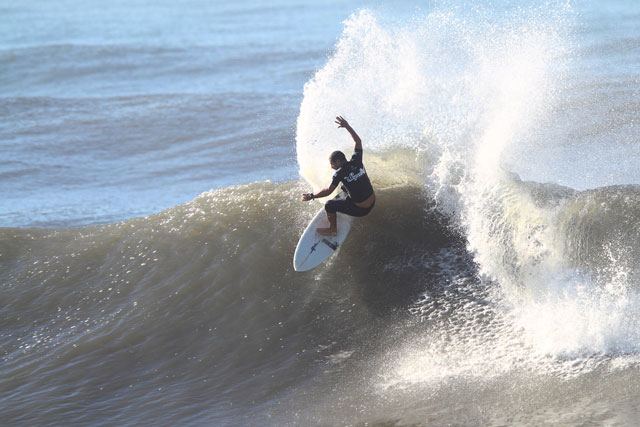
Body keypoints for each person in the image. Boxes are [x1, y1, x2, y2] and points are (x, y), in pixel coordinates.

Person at [301, 116, 375, 236]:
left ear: (339, 161)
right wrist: (347, 126)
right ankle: (349, 202)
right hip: (373, 201)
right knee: (345, 187)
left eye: (332, 163)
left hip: (362, 210)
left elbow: (328, 191)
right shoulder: (356, 160)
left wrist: (312, 195)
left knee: (329, 205)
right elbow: (358, 141)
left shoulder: (339, 174)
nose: (331, 167)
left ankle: (332, 229)